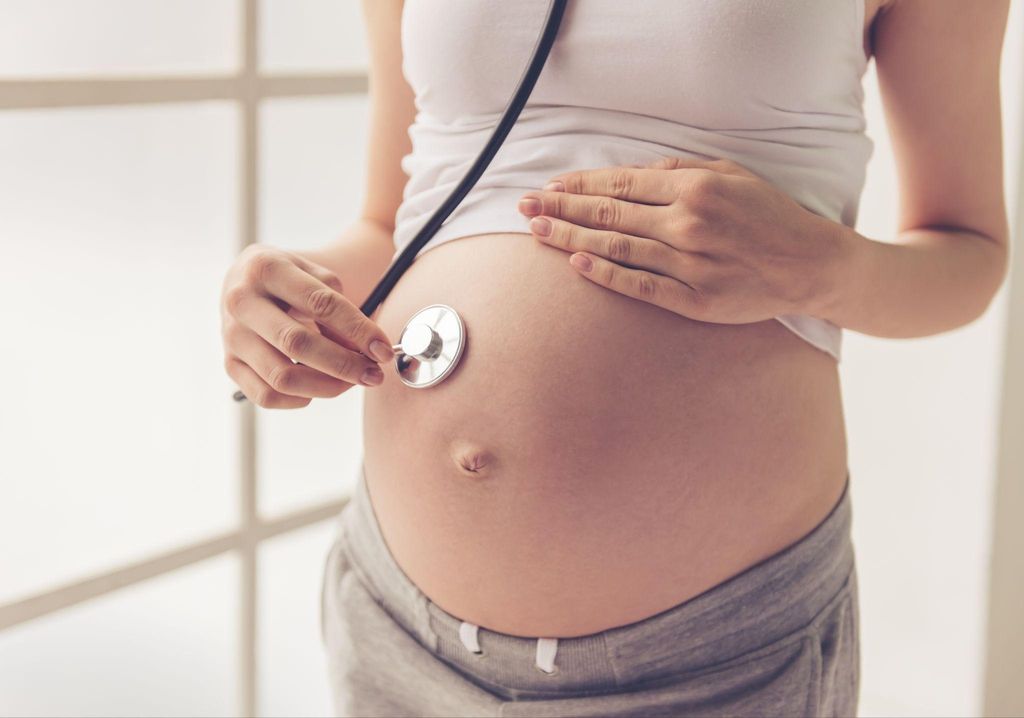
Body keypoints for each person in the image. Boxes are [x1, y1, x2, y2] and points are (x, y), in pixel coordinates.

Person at [219, 1, 1011, 715]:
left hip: (710, 663)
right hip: (399, 630)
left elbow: (968, 253)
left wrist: (824, 265)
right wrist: (289, 304)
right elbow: (392, 224)